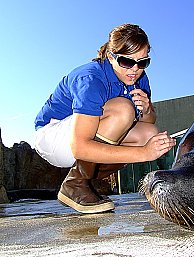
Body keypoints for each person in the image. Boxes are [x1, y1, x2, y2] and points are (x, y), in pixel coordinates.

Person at [34, 23, 176, 214]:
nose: (135, 69)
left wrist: (147, 110)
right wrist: (144, 153)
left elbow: (147, 123)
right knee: (123, 110)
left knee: (149, 134)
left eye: (142, 62)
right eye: (127, 61)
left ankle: (84, 182)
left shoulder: (139, 78)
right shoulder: (90, 78)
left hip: (84, 137)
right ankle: (75, 184)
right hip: (53, 138)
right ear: (111, 56)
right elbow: (80, 146)